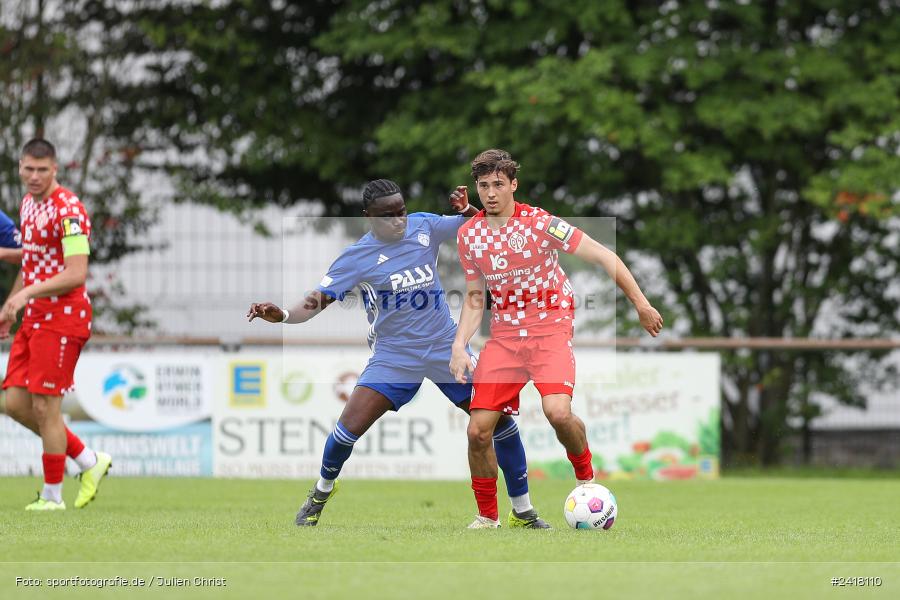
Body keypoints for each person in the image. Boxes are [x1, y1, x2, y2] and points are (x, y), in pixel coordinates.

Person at [248, 179, 549, 528]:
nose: (398, 221)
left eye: (401, 212)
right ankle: (321, 491)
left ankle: (524, 512)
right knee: (347, 430)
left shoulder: (423, 225)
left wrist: (466, 208)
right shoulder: (357, 257)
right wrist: (283, 316)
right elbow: (316, 301)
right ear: (368, 217)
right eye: (387, 216)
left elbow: (477, 225)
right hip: (394, 356)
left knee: (498, 422)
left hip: (444, 347)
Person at [450, 149, 664, 528]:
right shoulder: (469, 236)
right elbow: (474, 296)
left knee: (558, 413)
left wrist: (641, 303)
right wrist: (458, 344)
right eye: (484, 186)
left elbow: (603, 255)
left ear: (514, 185)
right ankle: (487, 518)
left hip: (550, 329)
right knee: (477, 431)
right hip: (504, 339)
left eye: (498, 184)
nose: (491, 193)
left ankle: (586, 479)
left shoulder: (542, 224)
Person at [1, 138, 112, 511]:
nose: (34, 176)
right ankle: (87, 461)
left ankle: (52, 496)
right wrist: (12, 303)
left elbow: (76, 273)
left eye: (42, 170)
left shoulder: (69, 210)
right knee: (15, 403)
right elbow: (32, 259)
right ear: (20, 167)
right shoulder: (29, 204)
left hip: (64, 317)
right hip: (34, 316)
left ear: (55, 169)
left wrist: (24, 294)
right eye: (28, 169)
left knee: (47, 407)